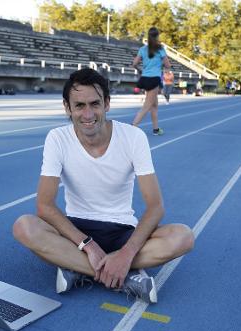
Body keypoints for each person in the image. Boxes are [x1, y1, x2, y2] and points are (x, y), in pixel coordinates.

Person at [12, 68, 194, 303]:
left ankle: (78, 267)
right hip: (76, 232)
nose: (88, 114)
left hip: (122, 231)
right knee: (24, 227)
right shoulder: (57, 138)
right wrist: (87, 245)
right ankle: (124, 277)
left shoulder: (133, 137)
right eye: (79, 106)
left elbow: (155, 207)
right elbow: (45, 206)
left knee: (183, 237)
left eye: (94, 104)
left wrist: (127, 253)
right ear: (68, 108)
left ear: (106, 104)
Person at [131, 27, 171, 136]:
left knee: (154, 105)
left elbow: (134, 63)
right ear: (157, 37)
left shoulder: (143, 49)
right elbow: (168, 65)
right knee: (147, 105)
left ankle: (156, 129)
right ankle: (132, 127)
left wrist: (140, 70)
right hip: (154, 79)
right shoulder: (160, 49)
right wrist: (161, 67)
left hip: (144, 78)